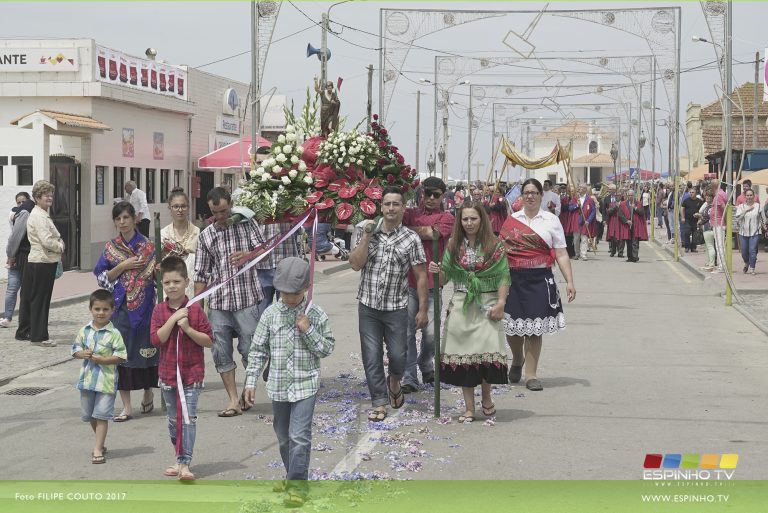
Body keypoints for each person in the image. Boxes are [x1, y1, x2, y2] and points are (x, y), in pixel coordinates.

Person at [243, 257, 335, 507]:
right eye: (284, 292)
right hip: (279, 386)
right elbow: (258, 350)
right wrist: (250, 381)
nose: (289, 297)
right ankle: (291, 473)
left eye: (294, 293)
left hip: (306, 385)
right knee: (284, 438)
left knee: (299, 436)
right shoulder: (270, 315)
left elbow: (326, 348)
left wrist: (308, 330)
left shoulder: (314, 313)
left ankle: (297, 486)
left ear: (306, 287)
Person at [349, 186, 428, 421]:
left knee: (398, 356)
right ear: (381, 207)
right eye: (387, 204)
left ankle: (394, 380)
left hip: (397, 308)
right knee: (371, 356)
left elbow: (421, 275)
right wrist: (366, 237)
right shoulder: (365, 230)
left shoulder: (411, 238)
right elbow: (355, 263)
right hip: (369, 307)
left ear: (403, 208)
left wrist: (423, 309)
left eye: (396, 204)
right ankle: (379, 402)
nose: (391, 208)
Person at [428, 202, 509, 422]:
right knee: (464, 358)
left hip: (487, 303)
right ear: (460, 221)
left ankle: (486, 398)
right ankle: (469, 408)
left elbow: (503, 275)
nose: (469, 223)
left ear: (481, 219)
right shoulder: (454, 245)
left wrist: (501, 302)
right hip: (462, 304)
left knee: (485, 354)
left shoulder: (495, 245)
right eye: (465, 219)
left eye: (473, 218)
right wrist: (436, 271)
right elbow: (444, 279)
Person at [194, 187, 266, 417]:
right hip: (219, 302)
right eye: (216, 212)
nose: (221, 216)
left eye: (224, 211)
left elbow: (265, 249)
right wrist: (197, 306)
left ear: (231, 205)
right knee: (220, 351)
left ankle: (248, 388)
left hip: (246, 297)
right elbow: (201, 272)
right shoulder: (206, 235)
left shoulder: (246, 223)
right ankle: (233, 399)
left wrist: (249, 255)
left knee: (250, 348)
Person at [500, 179, 575, 392]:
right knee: (513, 327)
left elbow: (561, 253)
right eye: (526, 192)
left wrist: (569, 281)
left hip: (540, 279)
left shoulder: (551, 221)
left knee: (535, 329)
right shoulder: (511, 220)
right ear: (521, 196)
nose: (530, 196)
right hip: (514, 279)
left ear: (542, 195)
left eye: (534, 192)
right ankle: (516, 359)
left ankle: (531, 374)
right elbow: (501, 253)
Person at [94, 201, 158, 422]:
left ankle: (149, 391)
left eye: (126, 218)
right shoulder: (111, 247)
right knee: (121, 355)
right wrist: (123, 266)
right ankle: (127, 406)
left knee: (147, 351)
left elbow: (157, 276)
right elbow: (102, 277)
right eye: (118, 219)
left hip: (147, 307)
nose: (122, 222)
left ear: (134, 219)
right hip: (121, 309)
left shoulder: (148, 246)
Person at [150, 256, 213, 481]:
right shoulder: (159, 310)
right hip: (167, 375)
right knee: (173, 421)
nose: (172, 287)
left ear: (186, 282)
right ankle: (178, 458)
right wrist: (173, 319)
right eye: (167, 283)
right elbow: (157, 339)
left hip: (191, 374)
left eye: (176, 282)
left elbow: (208, 340)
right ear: (162, 285)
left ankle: (185, 463)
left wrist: (187, 328)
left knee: (188, 419)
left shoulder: (195, 310)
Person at [400, 177, 454, 394]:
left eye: (436, 195)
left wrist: (409, 229)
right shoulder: (410, 213)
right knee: (407, 332)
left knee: (431, 334)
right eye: (427, 193)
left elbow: (433, 234)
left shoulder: (447, 217)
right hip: (408, 281)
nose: (431, 198)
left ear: (442, 196)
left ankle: (426, 363)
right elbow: (392, 219)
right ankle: (410, 377)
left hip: (433, 284)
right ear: (421, 193)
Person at [71, 289, 127, 465]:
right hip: (87, 380)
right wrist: (82, 354)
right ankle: (100, 442)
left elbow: (121, 356)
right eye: (97, 309)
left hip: (106, 382)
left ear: (112, 310)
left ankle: (97, 448)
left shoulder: (114, 334)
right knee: (90, 415)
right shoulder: (84, 331)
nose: (101, 313)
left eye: (105, 309)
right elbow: (74, 350)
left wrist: (104, 360)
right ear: (90, 309)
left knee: (102, 415)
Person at [15, 180, 64, 346]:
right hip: (43, 261)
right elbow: (46, 240)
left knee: (31, 298)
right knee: (41, 300)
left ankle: (26, 331)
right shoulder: (39, 216)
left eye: (51, 194)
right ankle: (39, 336)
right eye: (46, 195)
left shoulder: (39, 213)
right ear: (37, 197)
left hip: (36, 260)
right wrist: (60, 246)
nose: (49, 197)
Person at [160, 188, 200, 298]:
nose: (180, 210)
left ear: (188, 208)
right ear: (170, 208)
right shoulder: (163, 235)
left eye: (183, 206)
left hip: (191, 289)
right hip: (169, 290)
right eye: (176, 206)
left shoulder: (198, 233)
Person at [2, 193, 34, 328]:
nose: (21, 205)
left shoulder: (32, 214)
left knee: (27, 290)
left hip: (26, 257)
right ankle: (7, 317)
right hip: (15, 256)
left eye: (23, 202)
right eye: (18, 202)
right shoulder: (16, 214)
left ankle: (27, 318)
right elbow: (14, 236)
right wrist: (11, 256)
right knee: (12, 288)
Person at [734, 189, 762, 275]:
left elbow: (762, 218)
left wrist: (764, 226)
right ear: (745, 196)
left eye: (751, 195)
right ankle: (747, 262)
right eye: (747, 195)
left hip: (755, 232)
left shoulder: (758, 206)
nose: (749, 197)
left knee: (752, 250)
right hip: (743, 232)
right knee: (744, 252)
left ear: (754, 196)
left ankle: (752, 268)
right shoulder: (741, 206)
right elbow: (737, 218)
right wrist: (746, 210)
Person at [617, 189, 648, 263]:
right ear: (627, 196)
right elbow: (620, 215)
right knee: (629, 242)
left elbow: (642, 213)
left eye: (631, 195)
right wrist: (627, 221)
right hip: (627, 226)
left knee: (635, 242)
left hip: (636, 226)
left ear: (634, 196)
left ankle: (635, 256)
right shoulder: (623, 204)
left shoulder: (638, 203)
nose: (630, 197)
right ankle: (630, 257)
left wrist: (635, 208)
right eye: (629, 195)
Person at [570, 184, 596, 261]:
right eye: (579, 187)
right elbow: (570, 208)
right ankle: (577, 253)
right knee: (576, 239)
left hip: (585, 222)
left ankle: (583, 254)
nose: (579, 189)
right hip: (576, 221)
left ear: (585, 190)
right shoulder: (575, 198)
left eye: (581, 188)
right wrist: (576, 205)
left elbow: (593, 211)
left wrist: (589, 220)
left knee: (584, 239)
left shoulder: (590, 199)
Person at [709, 182, 729, 273]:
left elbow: (723, 208)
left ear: (714, 186)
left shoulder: (719, 195)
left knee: (719, 245)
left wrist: (727, 222)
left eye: (711, 185)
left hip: (719, 224)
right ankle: (721, 265)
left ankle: (722, 266)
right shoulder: (721, 193)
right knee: (719, 245)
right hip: (718, 223)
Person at [696, 190, 716, 272]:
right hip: (707, 228)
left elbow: (707, 217)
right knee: (708, 246)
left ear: (712, 198)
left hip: (709, 227)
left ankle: (711, 264)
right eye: (706, 196)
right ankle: (708, 263)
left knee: (710, 246)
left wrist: (699, 217)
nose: (707, 197)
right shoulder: (708, 206)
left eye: (709, 196)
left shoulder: (711, 207)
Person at [681, 186, 703, 252]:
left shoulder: (699, 201)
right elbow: (682, 209)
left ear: (696, 193)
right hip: (687, 220)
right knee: (687, 232)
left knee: (695, 234)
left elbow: (701, 211)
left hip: (695, 221)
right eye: (690, 192)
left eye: (692, 192)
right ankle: (686, 247)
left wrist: (700, 219)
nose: (691, 193)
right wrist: (682, 217)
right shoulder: (686, 200)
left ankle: (693, 248)